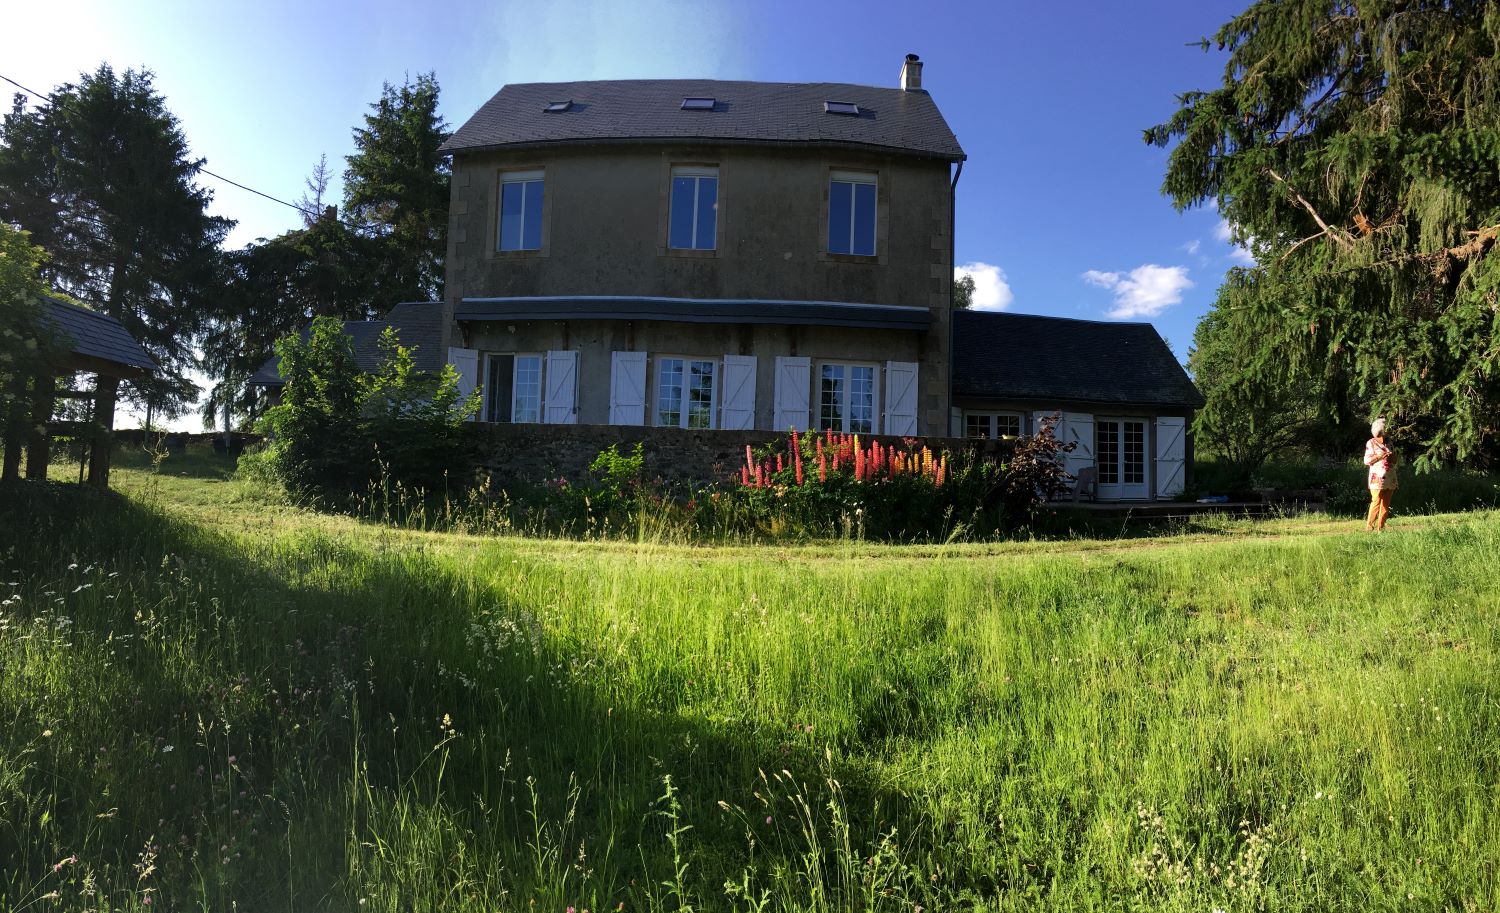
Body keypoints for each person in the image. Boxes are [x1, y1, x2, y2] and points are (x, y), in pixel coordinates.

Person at [1364, 418, 1398, 531]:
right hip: (1377, 478)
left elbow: (1395, 461)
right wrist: (1379, 456)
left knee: (1386, 504)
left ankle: (1381, 528)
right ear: (1378, 432)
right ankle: (1369, 527)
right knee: (1376, 501)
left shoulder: (1390, 442)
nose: (1385, 435)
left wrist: (1391, 455)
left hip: (1390, 477)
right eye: (1383, 432)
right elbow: (1367, 461)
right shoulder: (1371, 443)